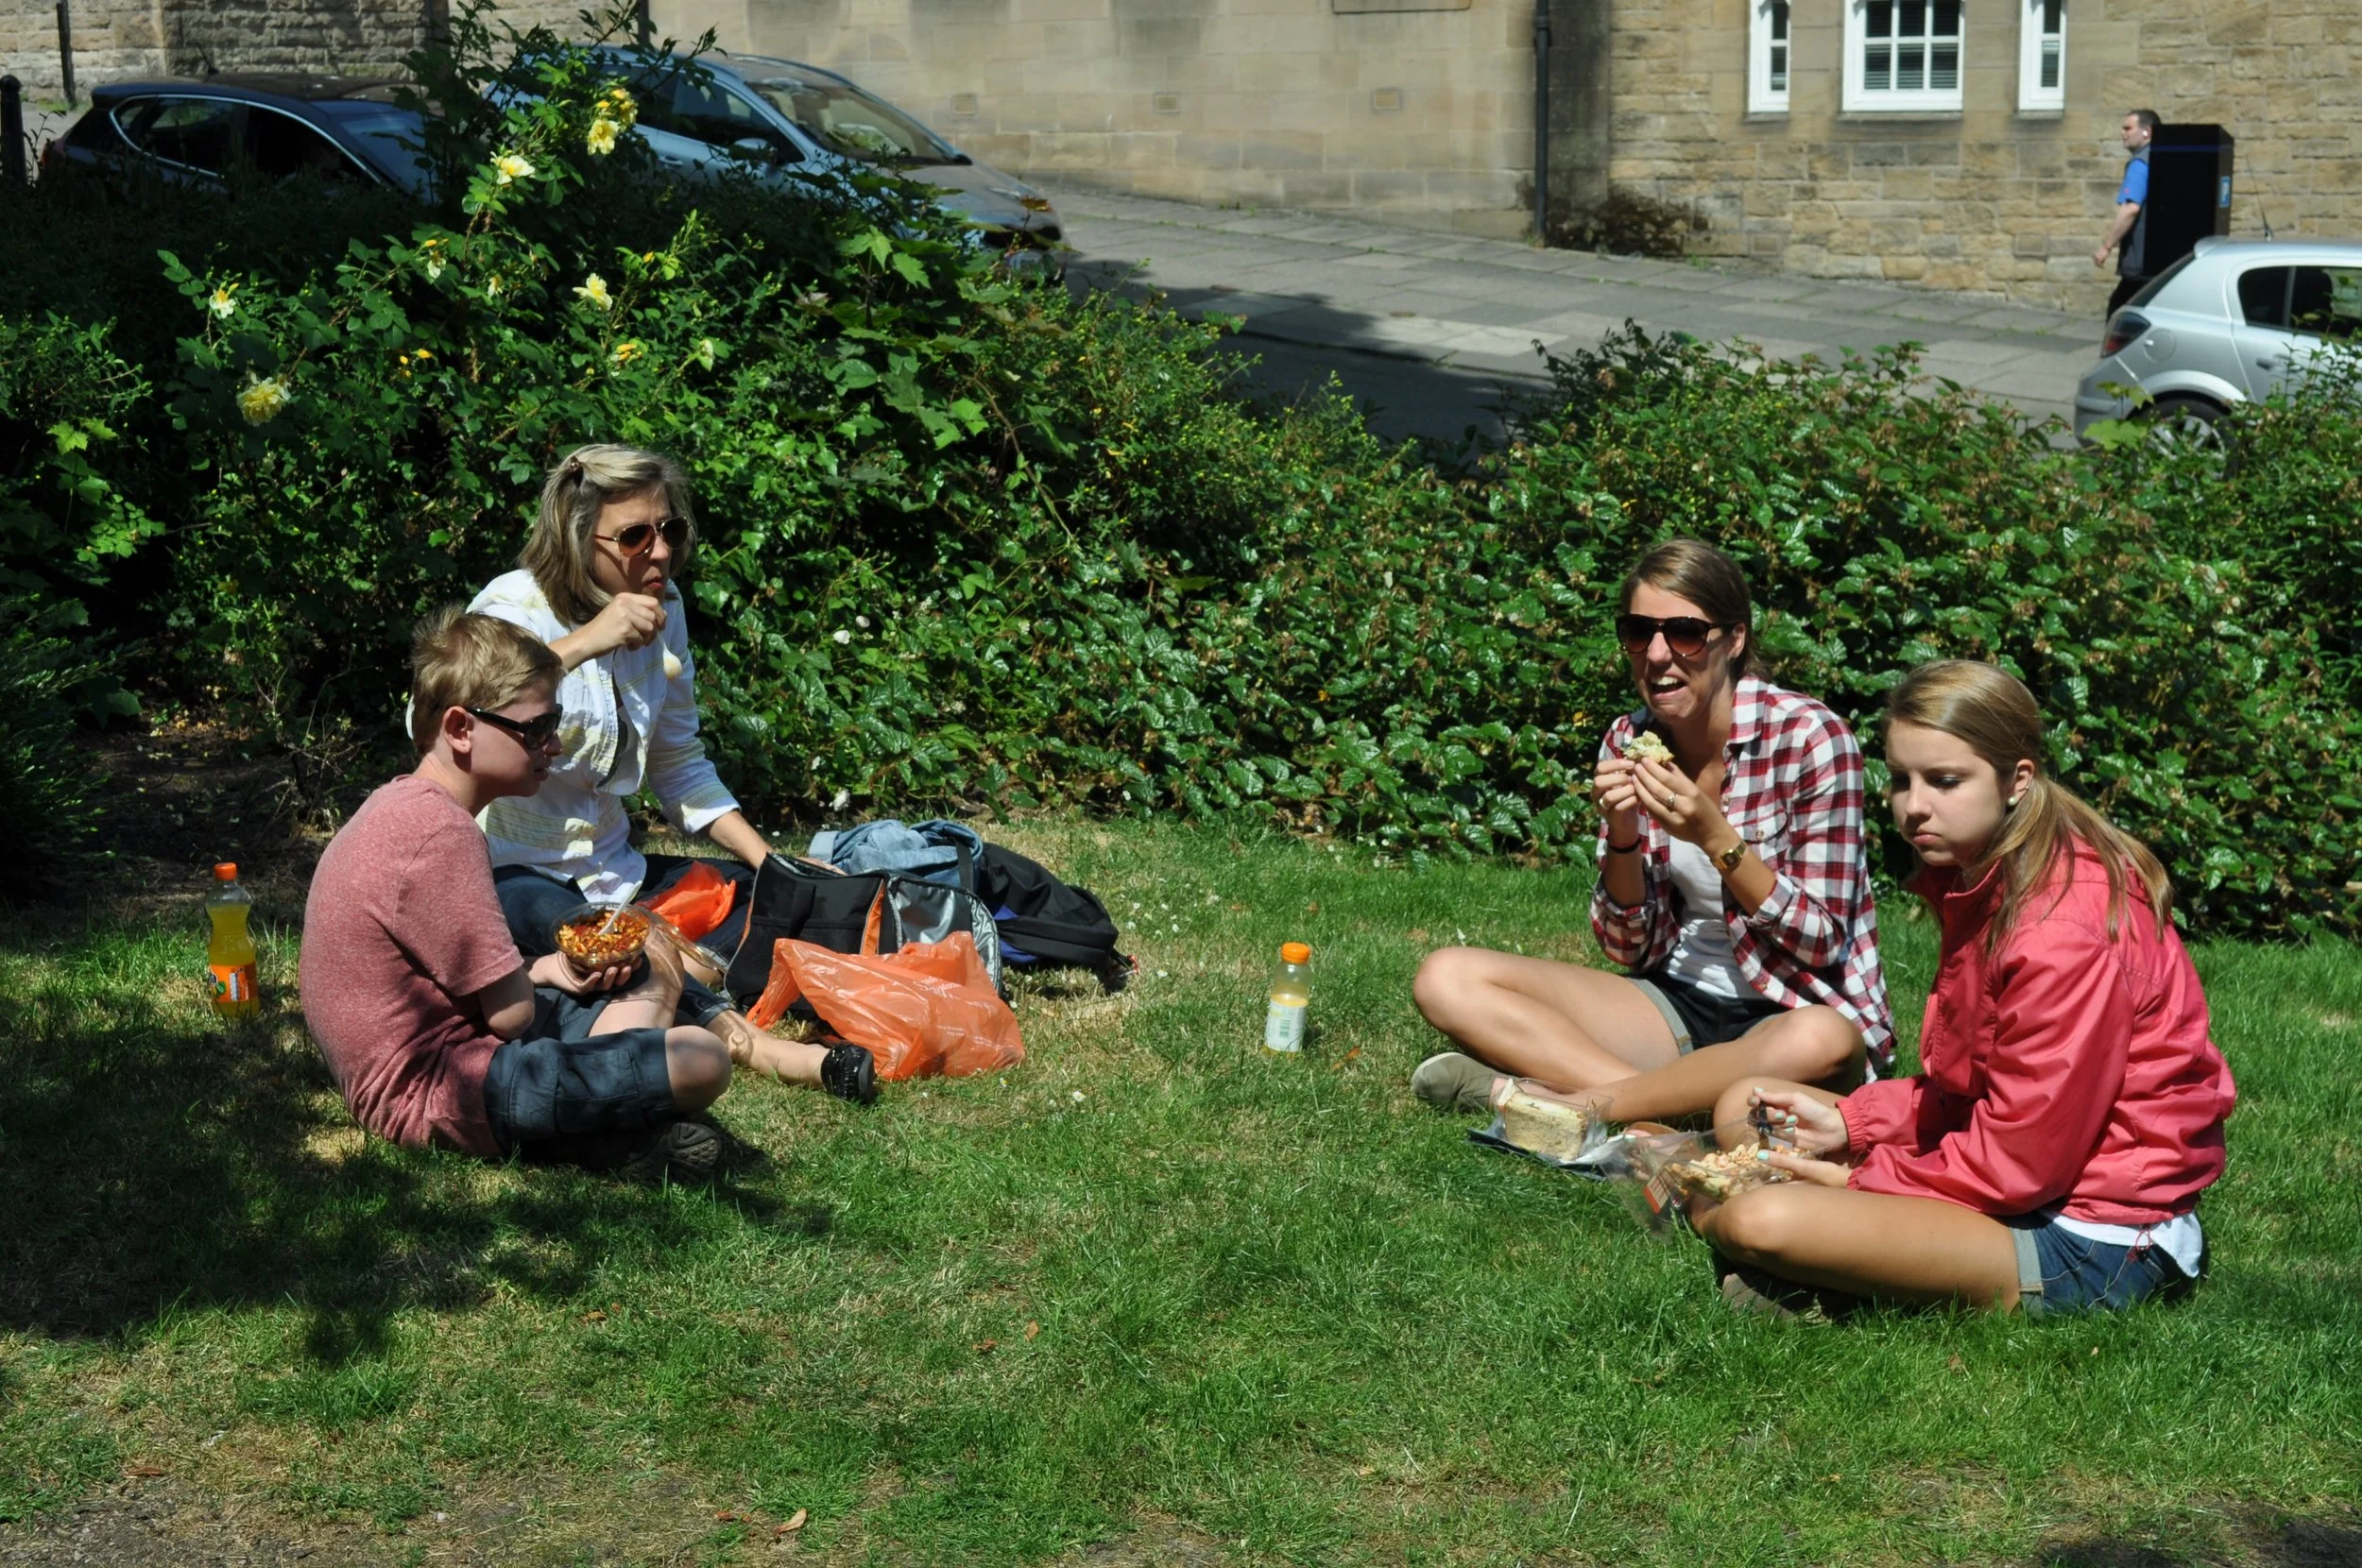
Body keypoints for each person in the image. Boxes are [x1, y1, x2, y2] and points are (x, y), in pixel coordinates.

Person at [1695, 661, 2236, 1316]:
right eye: (1901, 780)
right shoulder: (1992, 876)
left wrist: (1856, 1174)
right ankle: (1816, 1272)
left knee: (1756, 1219)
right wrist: (1851, 1122)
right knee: (1743, 1107)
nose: (1914, 806)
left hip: (2097, 1235)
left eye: (1945, 781)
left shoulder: (2060, 929)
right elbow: (1977, 1089)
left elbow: (2020, 1164)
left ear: (2017, 780)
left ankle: (1759, 1244)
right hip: (2024, 1180)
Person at [300, 609, 819, 1180]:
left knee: (652, 966)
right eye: (537, 728)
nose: (553, 745)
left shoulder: (401, 807)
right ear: (460, 728)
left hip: (439, 1056)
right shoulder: (442, 835)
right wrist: (537, 987)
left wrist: (548, 969)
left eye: (556, 723)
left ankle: (609, 1129)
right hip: (436, 1088)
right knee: (701, 1058)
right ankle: (605, 1135)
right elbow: (510, 1016)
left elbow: (458, 982)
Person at [1409, 538, 1891, 1132]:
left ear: (1734, 639)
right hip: (1675, 1004)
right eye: (1640, 632)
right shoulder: (1628, 739)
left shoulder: (1811, 739)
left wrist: (1714, 836)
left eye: (1685, 633)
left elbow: (1821, 941)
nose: (1658, 655)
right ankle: (1654, 1117)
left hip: (1790, 1009)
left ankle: (1565, 1103)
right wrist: (1623, 836)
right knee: (1447, 978)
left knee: (1822, 1039)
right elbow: (1627, 950)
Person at [470, 443, 874, 1105]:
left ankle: (682, 969)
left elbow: (679, 765)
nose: (659, 552)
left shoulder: (666, 606)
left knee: (784, 902)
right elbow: (441, 720)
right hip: (514, 872)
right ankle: (753, 1042)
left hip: (615, 869)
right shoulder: (514, 608)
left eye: (670, 530)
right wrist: (588, 640)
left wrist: (773, 865)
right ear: (577, 538)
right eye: (634, 536)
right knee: (609, 944)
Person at [2094, 108, 2159, 318]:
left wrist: (2106, 247)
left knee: (2118, 313)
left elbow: (2131, 208)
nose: (2123, 133)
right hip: (2157, 260)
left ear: (2147, 131)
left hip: (2140, 263)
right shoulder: (2160, 157)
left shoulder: (2140, 163)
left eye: (2128, 128)